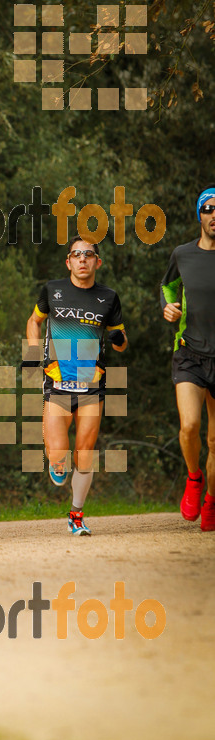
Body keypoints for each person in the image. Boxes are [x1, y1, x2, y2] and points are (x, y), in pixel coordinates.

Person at [26, 237, 127, 536]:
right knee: (58, 454)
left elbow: (121, 339)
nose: (82, 259)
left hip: (92, 385)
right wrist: (33, 355)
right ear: (68, 262)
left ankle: (76, 514)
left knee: (85, 453)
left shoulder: (109, 297)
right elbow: (34, 321)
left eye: (88, 255)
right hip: (57, 382)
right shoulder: (52, 290)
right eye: (76, 255)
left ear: (98, 261)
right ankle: (56, 463)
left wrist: (119, 340)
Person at [160, 186, 215, 532]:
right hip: (190, 352)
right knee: (190, 426)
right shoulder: (183, 254)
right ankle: (194, 478)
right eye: (209, 209)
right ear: (200, 214)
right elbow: (167, 287)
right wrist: (167, 307)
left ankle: (211, 501)